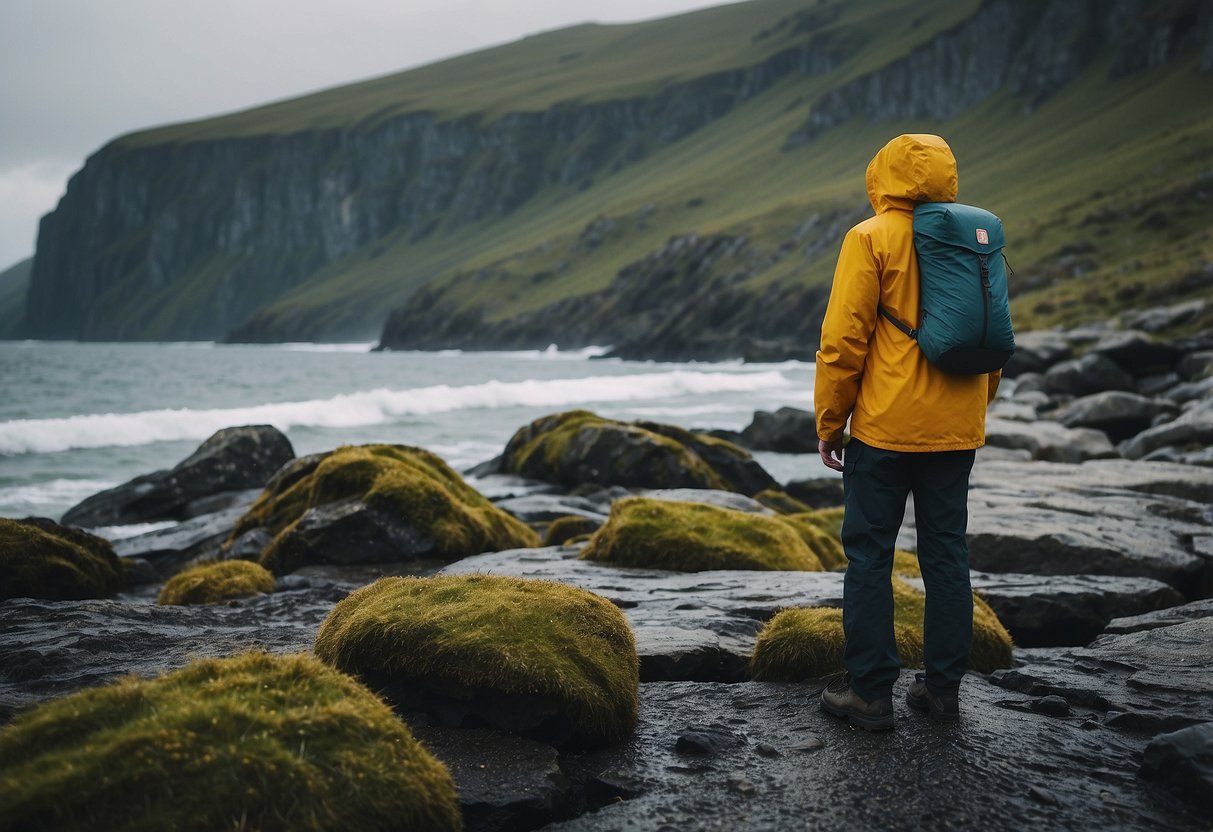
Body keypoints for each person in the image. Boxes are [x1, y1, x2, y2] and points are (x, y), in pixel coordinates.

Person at [814, 134, 1000, 731]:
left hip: (885, 428)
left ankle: (870, 694)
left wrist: (830, 421)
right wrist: (971, 410)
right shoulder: (976, 236)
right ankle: (943, 690)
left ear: (882, 175)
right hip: (956, 429)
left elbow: (844, 340)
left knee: (869, 555)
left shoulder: (869, 237)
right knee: (947, 552)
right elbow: (987, 335)